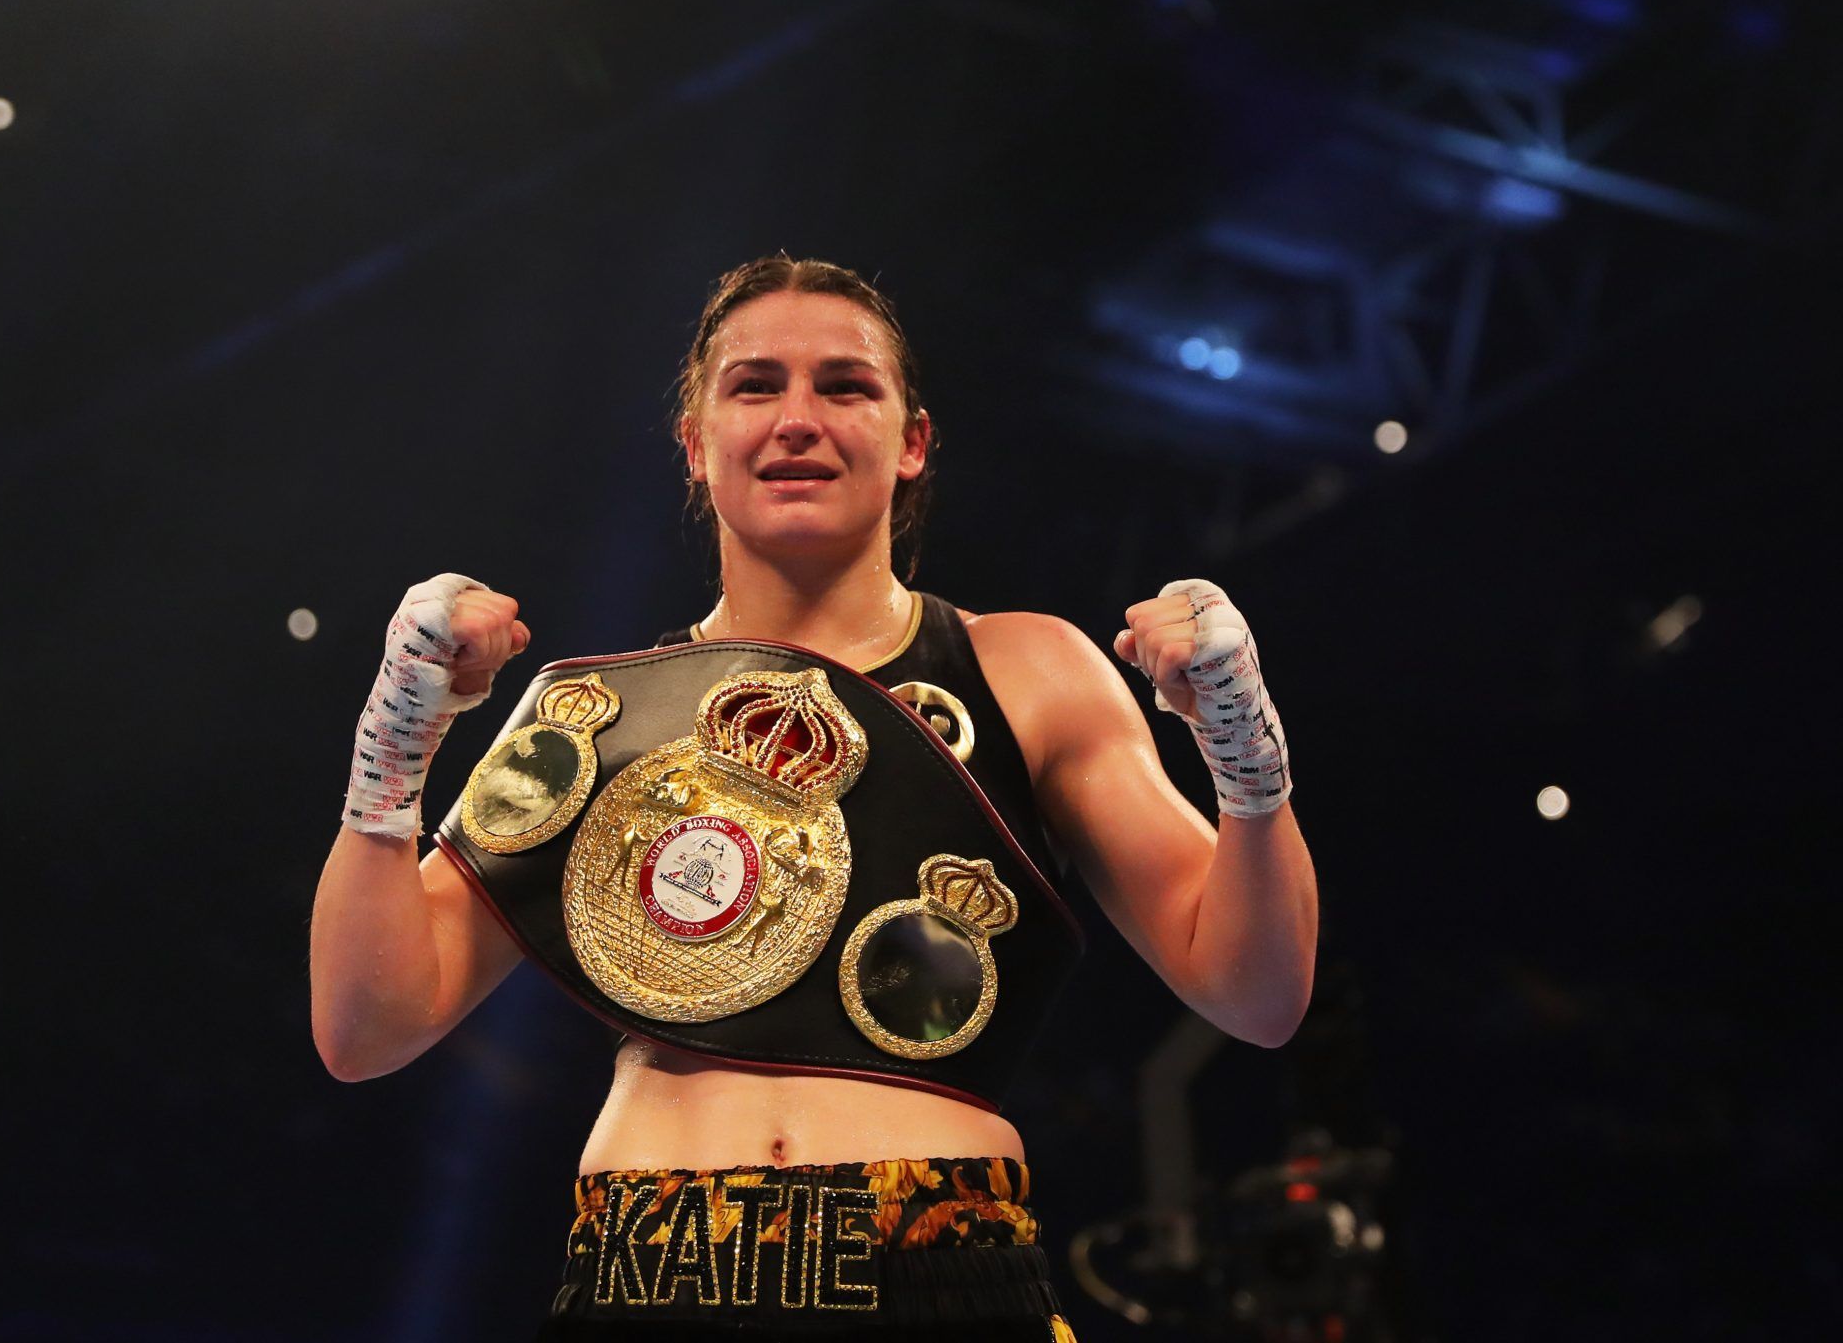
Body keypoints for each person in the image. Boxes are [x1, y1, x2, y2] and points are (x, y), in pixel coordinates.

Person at [309, 256, 1318, 1340]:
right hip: (647, 1277)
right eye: (755, 386)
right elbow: (365, 1029)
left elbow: (1257, 997)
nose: (797, 418)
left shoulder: (1029, 673)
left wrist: (1242, 750)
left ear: (911, 441)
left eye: (844, 385)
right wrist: (395, 742)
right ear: (696, 444)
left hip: (940, 1275)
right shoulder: (595, 714)